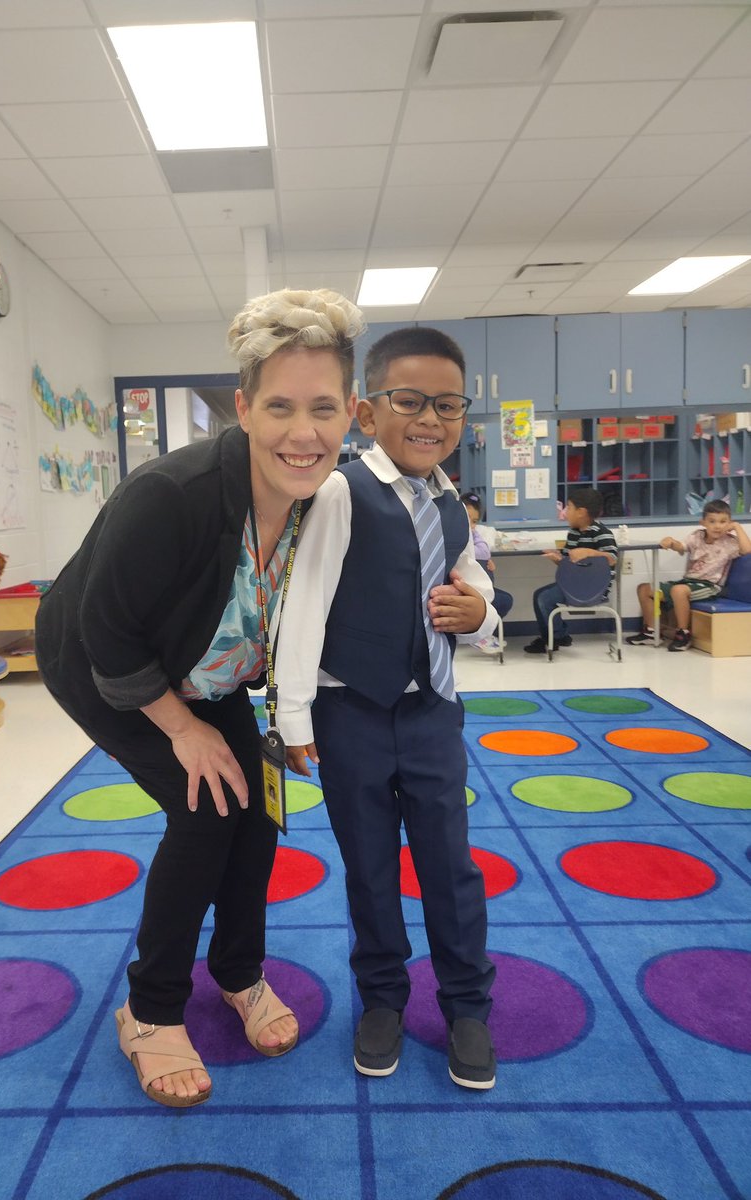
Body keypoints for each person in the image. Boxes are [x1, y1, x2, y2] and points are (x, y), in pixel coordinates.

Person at [35, 287, 364, 1108]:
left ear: (351, 413)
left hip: (207, 668)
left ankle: (238, 971)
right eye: (280, 406)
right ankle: (150, 1010)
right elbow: (108, 636)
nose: (303, 432)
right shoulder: (170, 494)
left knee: (257, 810)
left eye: (323, 409)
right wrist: (181, 730)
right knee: (207, 809)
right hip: (106, 667)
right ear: (244, 409)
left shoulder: (322, 500)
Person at [275, 326, 499, 1089]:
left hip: (433, 711)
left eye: (448, 405)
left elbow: (470, 579)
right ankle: (381, 999)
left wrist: (483, 614)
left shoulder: (452, 501)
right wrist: (294, 717)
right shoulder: (342, 492)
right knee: (369, 867)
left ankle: (467, 1005)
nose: (430, 418)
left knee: (450, 865)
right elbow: (304, 603)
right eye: (410, 401)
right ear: (367, 413)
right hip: (352, 714)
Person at [627, 499, 751, 652]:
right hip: (688, 582)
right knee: (644, 588)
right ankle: (651, 632)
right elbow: (681, 546)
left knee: (678, 590)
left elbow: (747, 550)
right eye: (712, 521)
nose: (717, 526)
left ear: (729, 523)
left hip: (710, 586)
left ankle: (683, 634)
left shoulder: (730, 542)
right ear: (703, 522)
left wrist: (737, 527)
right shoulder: (697, 536)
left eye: (723, 522)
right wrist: (671, 542)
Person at [523, 486, 618, 654]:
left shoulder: (602, 533)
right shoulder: (573, 534)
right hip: (573, 585)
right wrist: (558, 559)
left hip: (596, 589)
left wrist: (589, 552)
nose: (566, 512)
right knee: (540, 595)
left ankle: (554, 638)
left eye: (569, 507)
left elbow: (612, 559)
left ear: (581, 512)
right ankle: (556, 636)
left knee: (544, 598)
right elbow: (569, 564)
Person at [462, 492, 513, 620]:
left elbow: (484, 553)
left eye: (474, 521)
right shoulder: (454, 536)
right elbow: (482, 552)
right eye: (466, 518)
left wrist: (485, 560)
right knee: (504, 600)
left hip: (476, 588)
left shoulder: (472, 533)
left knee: (504, 599)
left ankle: (483, 629)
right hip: (464, 590)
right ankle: (482, 629)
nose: (470, 525)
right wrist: (483, 558)